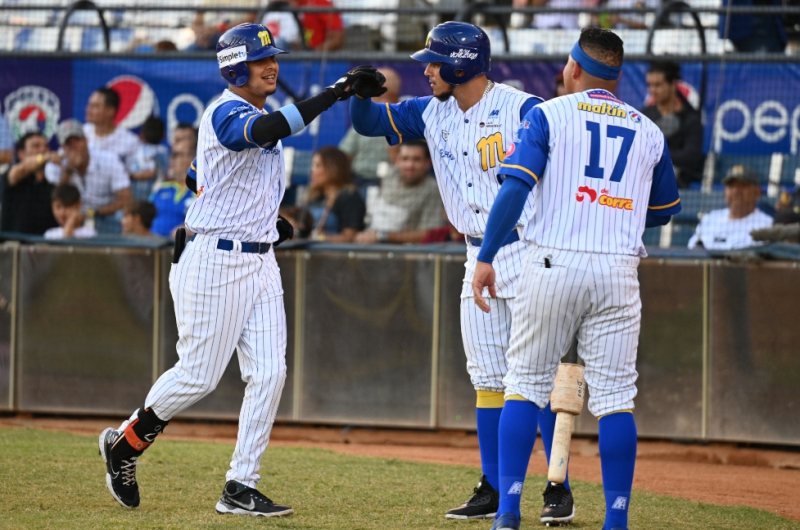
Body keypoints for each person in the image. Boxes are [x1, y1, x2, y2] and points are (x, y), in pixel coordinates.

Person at [96, 22, 382, 516]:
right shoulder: (228, 109)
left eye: (273, 58)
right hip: (214, 261)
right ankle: (127, 442)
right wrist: (336, 92)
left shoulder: (253, 114)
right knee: (199, 377)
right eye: (259, 59)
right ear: (234, 67)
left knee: (271, 373)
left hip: (259, 259)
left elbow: (198, 176)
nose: (271, 65)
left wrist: (261, 219)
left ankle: (239, 485)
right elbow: (265, 132)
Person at [348, 21, 572, 525]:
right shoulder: (431, 111)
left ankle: (557, 483)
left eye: (434, 61)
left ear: (461, 63)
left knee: (534, 378)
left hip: (528, 250)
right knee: (488, 378)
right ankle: (493, 485)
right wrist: (359, 97)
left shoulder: (526, 109)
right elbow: (368, 124)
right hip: (475, 255)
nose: (426, 70)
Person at [471, 28, 681, 530]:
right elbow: (666, 211)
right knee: (614, 401)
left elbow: (515, 189)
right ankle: (616, 521)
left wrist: (486, 254)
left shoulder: (548, 114)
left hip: (552, 263)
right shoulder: (649, 129)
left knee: (523, 385)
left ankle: (507, 513)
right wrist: (616, 212)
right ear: (618, 74)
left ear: (573, 68)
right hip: (617, 271)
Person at [45, 119, 132, 234]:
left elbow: (126, 199)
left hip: (104, 218)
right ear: (63, 148)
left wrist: (92, 212)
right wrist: (69, 171)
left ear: (86, 140)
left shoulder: (108, 159)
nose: (74, 147)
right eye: (69, 144)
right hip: (69, 220)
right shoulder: (56, 165)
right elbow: (56, 200)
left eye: (77, 141)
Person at [355, 140, 446, 244]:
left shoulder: (433, 189)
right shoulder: (388, 176)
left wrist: (382, 235)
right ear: (397, 160)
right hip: (365, 245)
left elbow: (430, 234)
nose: (410, 165)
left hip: (404, 254)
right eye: (405, 159)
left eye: (416, 160)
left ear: (427, 163)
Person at [641, 61, 704, 188]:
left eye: (658, 85)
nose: (653, 90)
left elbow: (691, 157)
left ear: (673, 84)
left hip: (677, 186)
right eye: (650, 85)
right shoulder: (643, 116)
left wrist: (655, 154)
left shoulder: (691, 119)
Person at [688, 165, 772, 250]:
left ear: (757, 192)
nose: (736, 191)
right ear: (725, 191)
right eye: (731, 186)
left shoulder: (767, 224)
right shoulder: (710, 219)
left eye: (743, 186)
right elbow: (692, 249)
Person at [339, 67, 401, 182]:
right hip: (358, 180)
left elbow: (405, 162)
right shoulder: (365, 117)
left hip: (393, 183)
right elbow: (345, 156)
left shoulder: (405, 117)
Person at [1, 132, 60, 235]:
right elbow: (21, 169)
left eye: (45, 146)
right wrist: (44, 157)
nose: (43, 149)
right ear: (21, 154)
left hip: (43, 248)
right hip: (13, 247)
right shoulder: (13, 177)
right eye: (36, 146)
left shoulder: (51, 187)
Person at [303, 146, 366, 242]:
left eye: (318, 165)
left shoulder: (349, 196)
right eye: (312, 165)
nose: (312, 170)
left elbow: (350, 238)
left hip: (335, 254)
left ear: (333, 169)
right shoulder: (313, 196)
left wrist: (321, 238)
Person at [83, 87, 142, 173]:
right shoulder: (82, 133)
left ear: (110, 111)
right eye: (89, 105)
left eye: (95, 106)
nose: (88, 110)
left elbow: (134, 173)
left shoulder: (130, 141)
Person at [150, 140, 196, 238]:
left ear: (193, 159)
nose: (171, 159)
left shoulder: (201, 191)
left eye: (176, 155)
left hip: (181, 247)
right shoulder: (161, 188)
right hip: (152, 244)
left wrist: (187, 229)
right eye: (171, 155)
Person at [262, 0, 344, 51]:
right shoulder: (275, 5)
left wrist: (311, 53)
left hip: (305, 56)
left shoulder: (321, 5)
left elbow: (337, 40)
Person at [130, 116, 169, 200]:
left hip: (147, 197)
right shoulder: (165, 151)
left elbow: (150, 172)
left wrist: (130, 176)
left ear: (142, 135)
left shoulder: (144, 150)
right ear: (163, 135)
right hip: (160, 195)